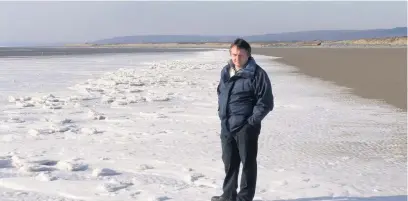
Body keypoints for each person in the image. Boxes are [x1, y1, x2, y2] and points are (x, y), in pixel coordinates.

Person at [212, 38, 274, 201]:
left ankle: (245, 198)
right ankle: (228, 196)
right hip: (226, 126)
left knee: (247, 164)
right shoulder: (226, 71)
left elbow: (266, 102)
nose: (236, 58)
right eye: (233, 54)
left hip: (246, 127)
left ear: (248, 55)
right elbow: (221, 92)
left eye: (240, 55)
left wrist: (251, 122)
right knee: (229, 163)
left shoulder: (257, 74)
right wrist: (221, 112)